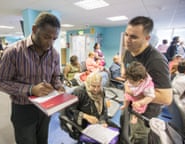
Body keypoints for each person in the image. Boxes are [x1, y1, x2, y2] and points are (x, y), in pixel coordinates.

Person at [0, 12, 64, 144]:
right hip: (23, 108)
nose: (50, 43)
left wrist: (59, 86)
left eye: (54, 38)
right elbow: (1, 82)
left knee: (43, 140)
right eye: (46, 37)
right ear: (34, 29)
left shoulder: (54, 54)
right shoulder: (13, 52)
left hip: (46, 107)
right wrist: (31, 89)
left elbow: (55, 77)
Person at [120, 16, 172, 144]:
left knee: (138, 139)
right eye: (126, 35)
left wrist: (133, 91)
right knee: (124, 133)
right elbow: (124, 61)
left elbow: (166, 98)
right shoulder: (129, 51)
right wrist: (124, 73)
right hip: (130, 104)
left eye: (133, 37)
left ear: (147, 38)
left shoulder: (156, 61)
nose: (127, 40)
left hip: (145, 112)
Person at [64, 72, 118, 142]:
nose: (96, 89)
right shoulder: (79, 92)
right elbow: (70, 110)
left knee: (119, 132)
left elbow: (103, 109)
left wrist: (102, 121)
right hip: (83, 124)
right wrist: (85, 116)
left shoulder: (101, 91)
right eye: (93, 86)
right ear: (88, 84)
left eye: (98, 86)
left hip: (98, 121)